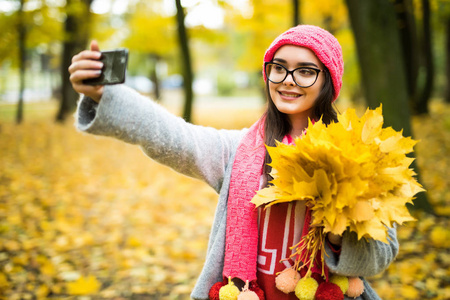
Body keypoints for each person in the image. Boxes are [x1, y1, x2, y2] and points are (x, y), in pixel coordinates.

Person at [69, 25, 398, 300]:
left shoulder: (359, 155)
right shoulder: (240, 149)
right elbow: (173, 137)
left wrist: (339, 236)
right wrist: (105, 93)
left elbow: (381, 254)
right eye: (278, 67)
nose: (288, 79)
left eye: (306, 71)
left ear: (328, 81)